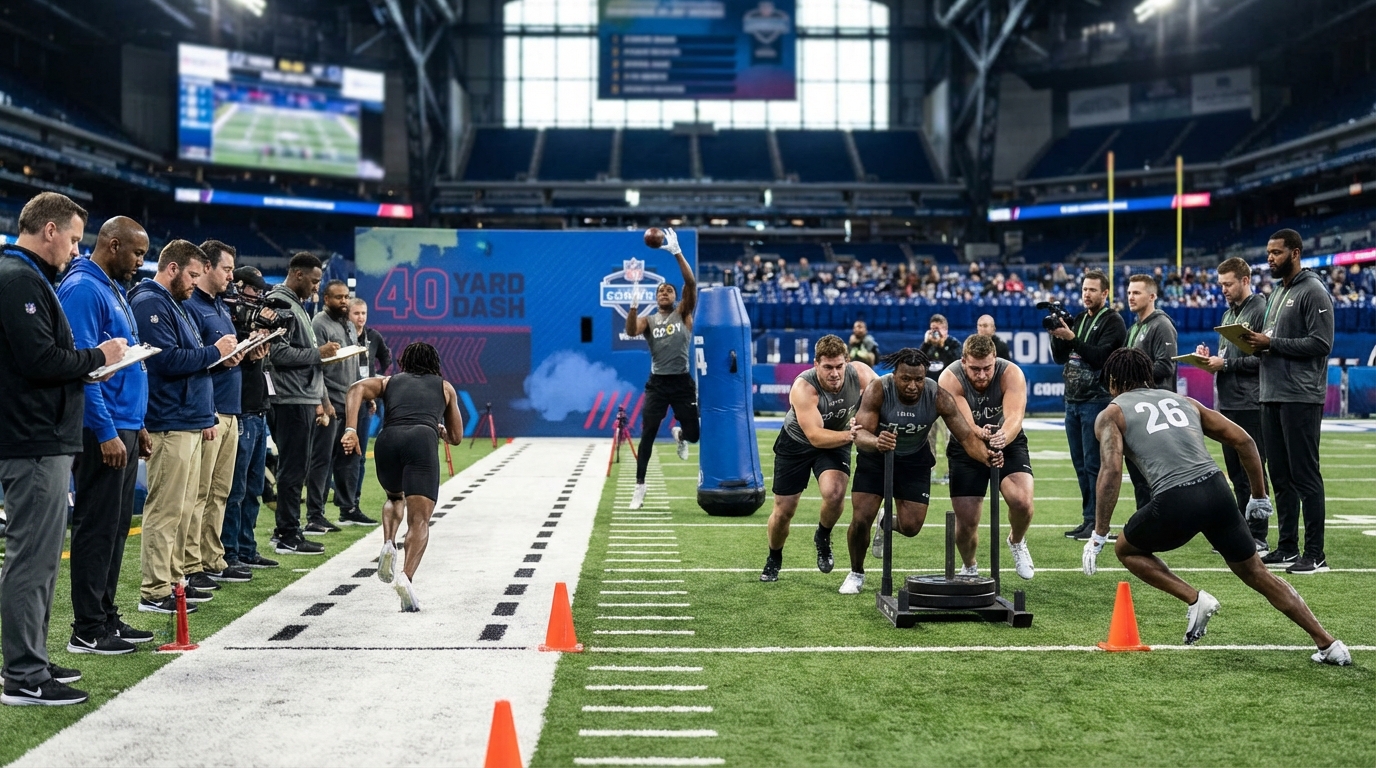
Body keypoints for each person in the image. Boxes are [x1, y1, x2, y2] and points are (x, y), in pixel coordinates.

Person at [1081, 349, 1350, 666]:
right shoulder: (1183, 401)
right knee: (1257, 573)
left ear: (1113, 380)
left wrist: (1099, 534)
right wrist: (1259, 495)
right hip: (1217, 490)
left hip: (1176, 498)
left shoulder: (1111, 414)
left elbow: (1111, 471)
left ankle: (1194, 599)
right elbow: (1244, 441)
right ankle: (1329, 643)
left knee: (1126, 549)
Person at [0, 193, 125, 706]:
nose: (76, 250)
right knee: (31, 557)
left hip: (42, 435)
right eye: (73, 238)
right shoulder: (18, 278)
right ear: (48, 229)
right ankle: (24, 675)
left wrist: (87, 360)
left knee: (44, 556)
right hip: (31, 438)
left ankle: (33, 658)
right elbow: (39, 360)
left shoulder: (28, 277)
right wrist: (100, 354)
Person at [57, 216, 154, 655]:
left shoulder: (111, 287)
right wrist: (106, 429)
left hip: (125, 424)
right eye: (137, 253)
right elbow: (84, 368)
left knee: (115, 529)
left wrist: (139, 424)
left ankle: (107, 615)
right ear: (113, 245)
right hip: (104, 428)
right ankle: (87, 627)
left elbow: (125, 361)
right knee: (96, 527)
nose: (141, 262)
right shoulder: (82, 288)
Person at [838, 348, 1001, 594]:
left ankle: (887, 521)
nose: (913, 385)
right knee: (861, 519)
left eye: (919, 379)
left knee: (912, 526)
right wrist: (876, 442)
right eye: (906, 379)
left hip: (914, 459)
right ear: (895, 376)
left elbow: (966, 436)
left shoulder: (938, 396)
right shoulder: (878, 390)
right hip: (876, 458)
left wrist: (987, 457)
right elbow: (859, 435)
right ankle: (856, 573)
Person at [130, 240, 237, 613]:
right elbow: (166, 360)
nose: (196, 282)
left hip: (187, 418)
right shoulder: (149, 302)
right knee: (165, 510)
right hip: (168, 419)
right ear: (172, 269)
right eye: (192, 274)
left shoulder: (172, 303)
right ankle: (155, 589)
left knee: (181, 508)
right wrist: (215, 353)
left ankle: (174, 581)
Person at [341, 342, 463, 611]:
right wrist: (440, 430)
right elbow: (456, 437)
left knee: (395, 497)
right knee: (419, 520)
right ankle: (406, 578)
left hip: (388, 440)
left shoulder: (389, 381)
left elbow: (356, 388)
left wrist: (351, 428)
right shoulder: (444, 386)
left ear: (404, 363)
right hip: (421, 439)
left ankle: (388, 543)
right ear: (435, 363)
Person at [1240, 229, 1334, 574]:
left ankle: (1316, 554)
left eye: (1276, 253)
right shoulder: (1278, 292)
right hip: (1271, 393)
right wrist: (1254, 342)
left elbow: (1321, 343)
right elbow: (1273, 342)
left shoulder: (1312, 290)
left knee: (1305, 476)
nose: (1270, 259)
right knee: (1279, 476)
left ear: (1295, 253)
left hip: (1301, 396)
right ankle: (1288, 547)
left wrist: (1271, 343)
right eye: (1268, 253)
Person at [760, 335, 878, 582]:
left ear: (847, 361)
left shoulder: (861, 374)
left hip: (837, 440)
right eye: (827, 367)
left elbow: (884, 398)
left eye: (839, 366)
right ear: (816, 365)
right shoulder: (804, 388)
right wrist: (853, 434)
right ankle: (774, 556)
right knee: (784, 511)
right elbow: (814, 436)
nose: (834, 373)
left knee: (835, 494)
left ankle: (822, 535)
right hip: (797, 443)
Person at [183, 240, 254, 594]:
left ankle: (213, 558)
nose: (231, 276)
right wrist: (217, 357)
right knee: (200, 492)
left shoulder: (220, 307)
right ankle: (191, 564)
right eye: (227, 269)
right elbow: (194, 356)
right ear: (207, 267)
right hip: (209, 410)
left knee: (221, 492)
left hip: (231, 408)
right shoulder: (191, 306)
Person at [938, 334, 1035, 580]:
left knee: (1022, 502)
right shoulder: (950, 378)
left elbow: (1015, 416)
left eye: (987, 368)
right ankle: (969, 565)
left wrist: (1002, 437)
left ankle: (1017, 541)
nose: (981, 376)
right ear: (963, 362)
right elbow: (966, 427)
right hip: (965, 444)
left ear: (995, 360)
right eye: (975, 369)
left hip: (1007, 440)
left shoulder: (1011, 373)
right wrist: (983, 441)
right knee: (967, 522)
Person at [1194, 257, 1269, 552]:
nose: (1223, 289)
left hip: (1250, 401)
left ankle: (1258, 535)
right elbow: (1231, 356)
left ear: (1245, 280)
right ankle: (1242, 533)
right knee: (1236, 474)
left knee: (1253, 470)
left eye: (1228, 283)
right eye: (1221, 284)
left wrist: (1224, 364)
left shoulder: (1261, 309)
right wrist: (1209, 357)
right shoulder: (1229, 314)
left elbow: (1264, 358)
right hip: (1228, 401)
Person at [266, 253, 337, 556]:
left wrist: (322, 398)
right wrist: (317, 354)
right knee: (293, 470)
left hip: (303, 396)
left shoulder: (297, 305)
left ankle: (286, 530)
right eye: (314, 280)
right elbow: (277, 354)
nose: (316, 287)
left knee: (297, 467)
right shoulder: (279, 303)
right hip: (289, 397)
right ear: (297, 274)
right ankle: (287, 534)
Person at [624, 228, 699, 510]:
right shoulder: (649, 320)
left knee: (694, 434)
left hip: (682, 383)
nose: (664, 292)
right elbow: (631, 331)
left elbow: (690, 283)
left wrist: (676, 252)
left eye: (669, 289)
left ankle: (680, 435)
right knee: (648, 434)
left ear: (675, 297)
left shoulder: (684, 313)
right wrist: (632, 307)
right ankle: (639, 487)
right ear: (656, 298)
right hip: (657, 384)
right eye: (660, 290)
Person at [1049, 270, 1127, 540]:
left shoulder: (1113, 321)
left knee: (1095, 464)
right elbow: (1061, 357)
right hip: (1073, 401)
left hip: (1097, 400)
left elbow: (1099, 358)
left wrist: (1071, 338)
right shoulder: (1080, 319)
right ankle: (1087, 519)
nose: (1086, 294)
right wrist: (1055, 333)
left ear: (1105, 293)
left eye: (1093, 290)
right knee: (1080, 464)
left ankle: (1097, 522)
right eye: (1084, 289)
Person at [221, 266, 279, 570]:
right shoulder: (228, 321)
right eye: (255, 291)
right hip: (240, 412)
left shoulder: (250, 322)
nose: (258, 297)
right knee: (236, 489)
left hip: (257, 410)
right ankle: (229, 551)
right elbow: (226, 365)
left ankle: (246, 547)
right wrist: (248, 354)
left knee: (254, 488)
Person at [308, 280, 372, 529]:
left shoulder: (347, 324)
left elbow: (354, 362)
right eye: (338, 298)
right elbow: (317, 366)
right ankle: (315, 514)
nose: (343, 302)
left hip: (350, 400)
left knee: (349, 458)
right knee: (322, 459)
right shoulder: (319, 323)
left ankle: (348, 508)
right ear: (326, 299)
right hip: (331, 400)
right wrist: (323, 400)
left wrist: (362, 392)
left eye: (346, 297)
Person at [1123, 273, 1178, 510]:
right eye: (1128, 293)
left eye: (1136, 293)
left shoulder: (1161, 324)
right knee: (1138, 477)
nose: (1131, 297)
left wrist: (1131, 376)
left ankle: (1157, 525)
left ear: (1152, 296)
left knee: (1152, 477)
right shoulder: (1135, 327)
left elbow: (1166, 366)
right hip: (1136, 408)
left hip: (1153, 410)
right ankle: (1143, 525)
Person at [349, 297, 391, 508]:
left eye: (364, 313)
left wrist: (376, 383)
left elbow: (386, 357)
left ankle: (353, 503)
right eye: (356, 313)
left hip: (365, 401)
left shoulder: (373, 336)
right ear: (348, 314)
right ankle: (341, 499)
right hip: (343, 399)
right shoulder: (343, 336)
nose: (361, 317)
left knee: (360, 455)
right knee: (336, 456)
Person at [918, 314, 961, 483]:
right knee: (928, 439)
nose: (935, 332)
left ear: (946, 329)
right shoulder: (927, 347)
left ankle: (953, 471)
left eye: (939, 329)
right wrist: (926, 344)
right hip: (928, 399)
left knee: (951, 438)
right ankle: (928, 471)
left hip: (949, 399)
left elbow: (957, 365)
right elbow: (915, 363)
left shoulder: (953, 344)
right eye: (933, 329)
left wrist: (943, 346)